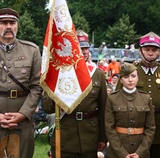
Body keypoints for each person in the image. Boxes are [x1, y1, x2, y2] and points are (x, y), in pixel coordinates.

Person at [42, 29, 107, 158]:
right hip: (65, 135)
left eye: (86, 48)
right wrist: (57, 86)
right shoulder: (59, 74)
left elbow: (103, 109)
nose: (83, 52)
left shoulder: (97, 74)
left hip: (90, 136)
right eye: (79, 48)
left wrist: (102, 137)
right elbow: (47, 108)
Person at [0, 8, 42, 158]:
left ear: (17, 25)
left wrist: (23, 114)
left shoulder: (32, 50)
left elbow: (36, 87)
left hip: (22, 121)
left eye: (12, 22)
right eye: (3, 23)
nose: (8, 26)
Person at [116, 31, 160, 158]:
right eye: (147, 49)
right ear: (140, 51)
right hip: (135, 129)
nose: (150, 53)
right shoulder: (130, 71)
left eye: (154, 50)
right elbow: (116, 99)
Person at [105, 62, 155, 158]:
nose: (130, 80)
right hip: (118, 150)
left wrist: (141, 152)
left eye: (133, 76)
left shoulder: (146, 98)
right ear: (121, 79)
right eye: (126, 77)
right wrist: (122, 153)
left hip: (140, 149)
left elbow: (150, 128)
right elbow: (109, 128)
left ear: (138, 78)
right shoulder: (112, 99)